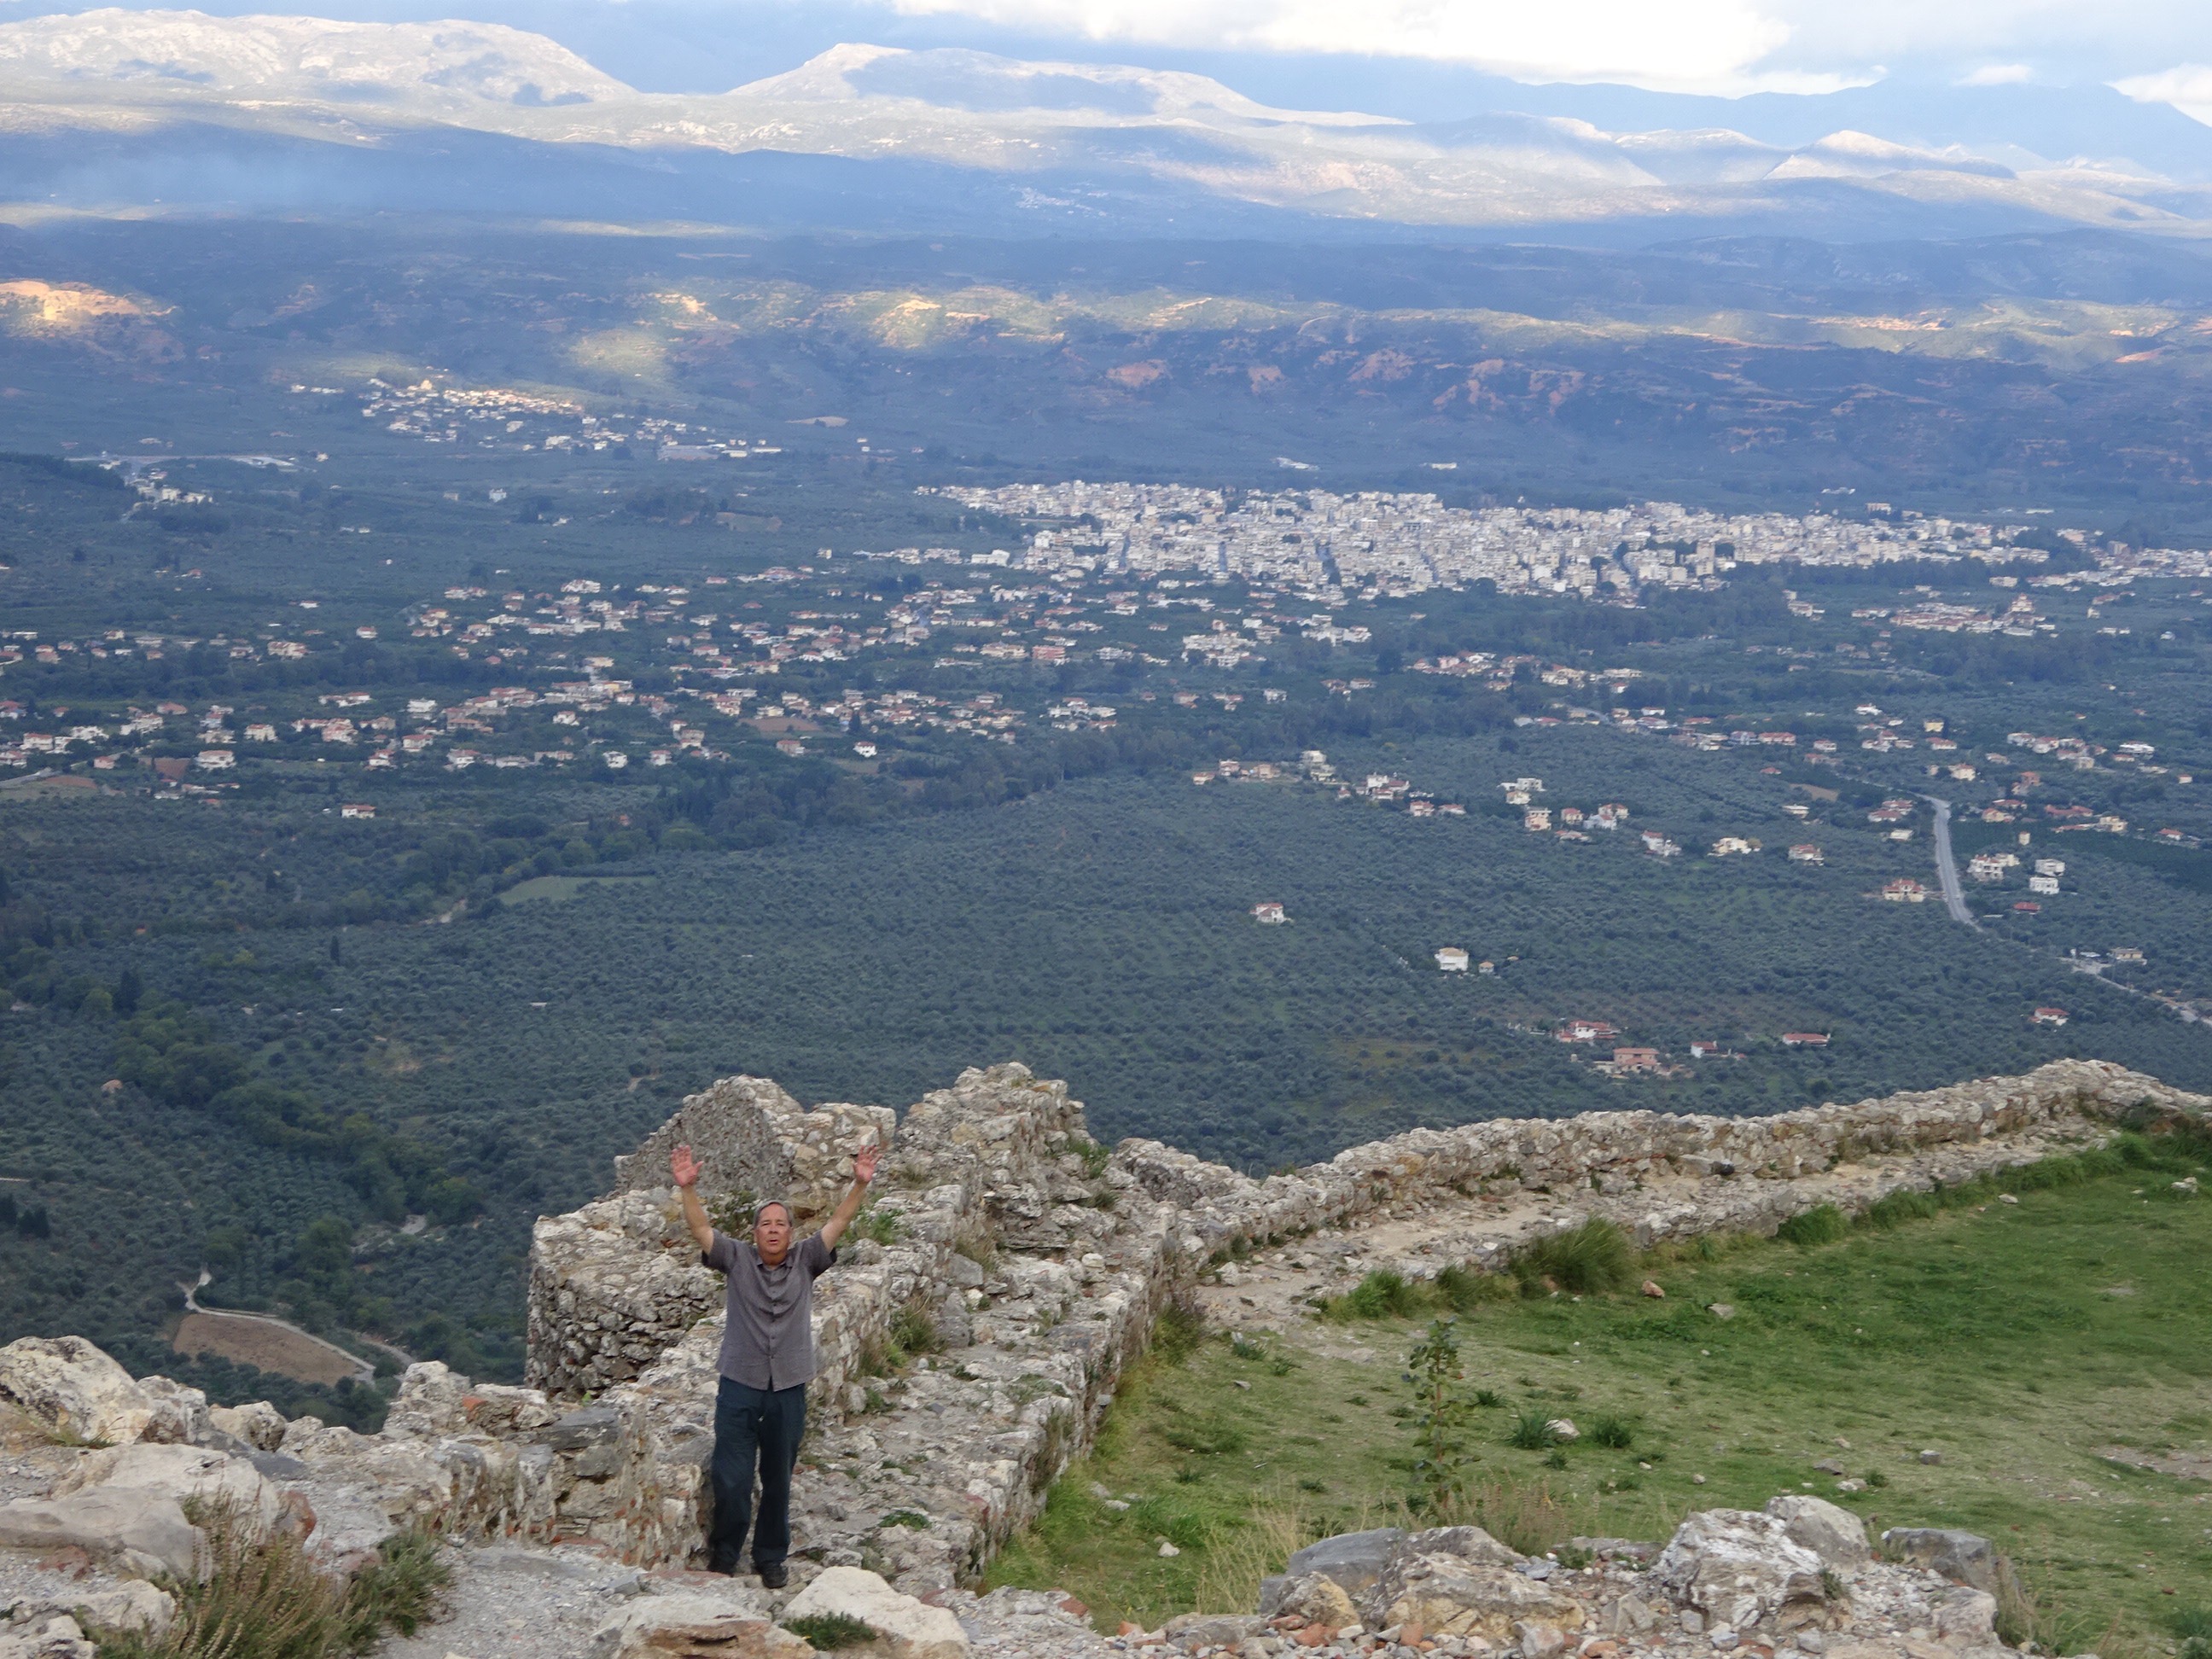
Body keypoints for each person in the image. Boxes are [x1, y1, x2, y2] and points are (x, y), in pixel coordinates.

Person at [672, 1137, 879, 1586]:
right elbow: (701, 1230)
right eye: (765, 1224)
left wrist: (860, 1184)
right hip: (739, 1385)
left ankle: (770, 1556)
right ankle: (725, 1554)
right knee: (731, 1477)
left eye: (780, 1224)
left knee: (778, 1478)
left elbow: (839, 1222)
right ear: (754, 1233)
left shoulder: (807, 1260)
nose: (772, 1230)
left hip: (787, 1387)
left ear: (790, 1232)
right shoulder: (736, 1259)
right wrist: (687, 1188)